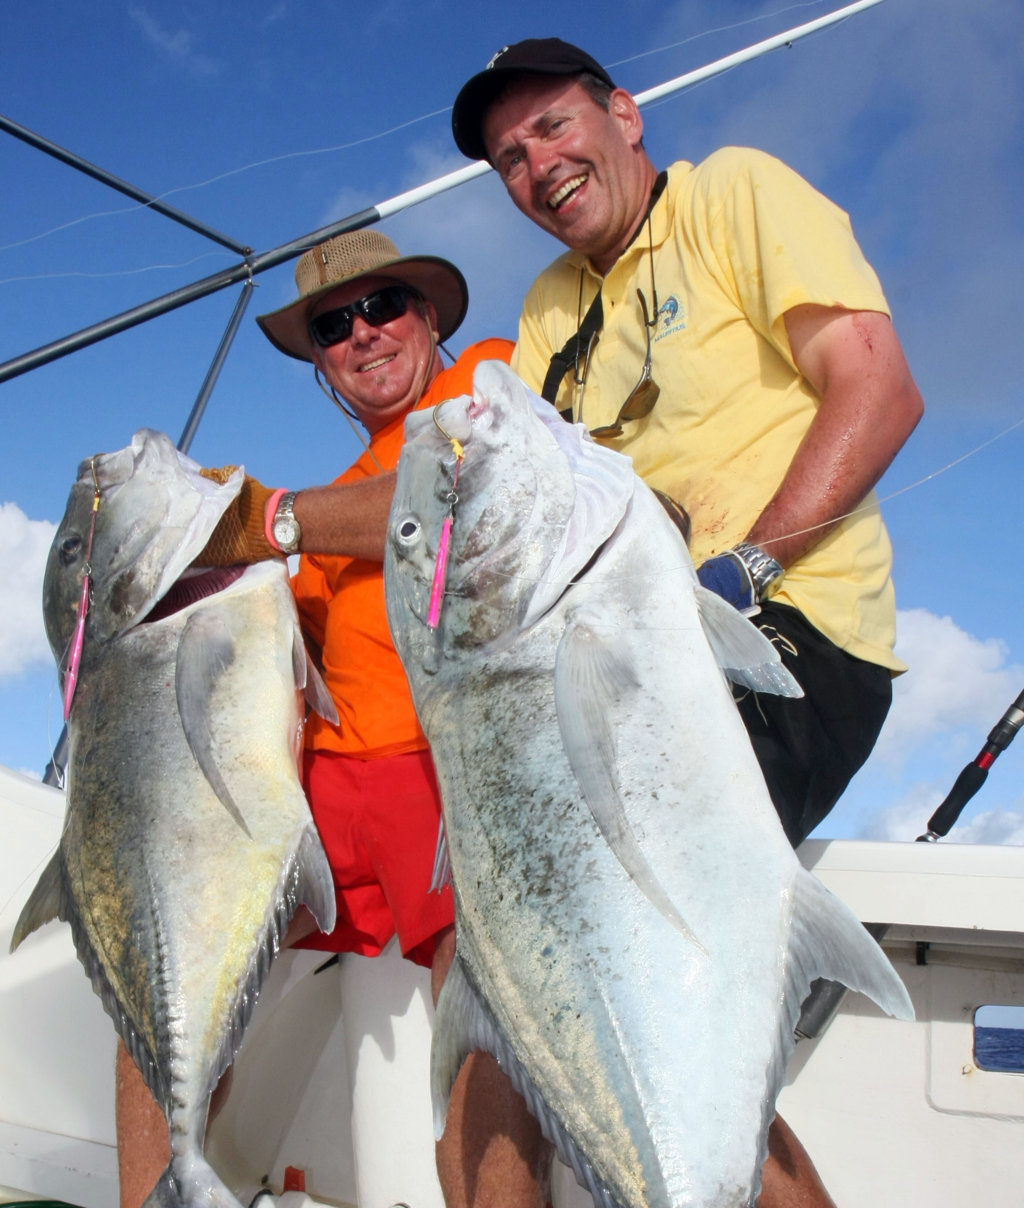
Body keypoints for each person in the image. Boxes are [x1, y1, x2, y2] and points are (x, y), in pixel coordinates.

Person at [445, 36, 925, 1208]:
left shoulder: (734, 196)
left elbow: (878, 387)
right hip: (632, 672)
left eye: (553, 127)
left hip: (788, 646)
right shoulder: (550, 308)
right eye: (509, 158)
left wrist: (744, 567)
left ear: (624, 112)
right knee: (507, 990)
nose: (537, 165)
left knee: (602, 993)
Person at [114, 229, 515, 1208]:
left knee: (484, 1038)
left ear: (428, 317)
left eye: (382, 308)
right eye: (333, 326)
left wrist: (266, 520)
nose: (362, 335)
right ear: (320, 361)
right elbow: (276, 657)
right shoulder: (329, 504)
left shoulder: (490, 378)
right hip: (321, 799)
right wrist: (191, 582)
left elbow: (450, 497)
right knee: (150, 992)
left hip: (448, 767)